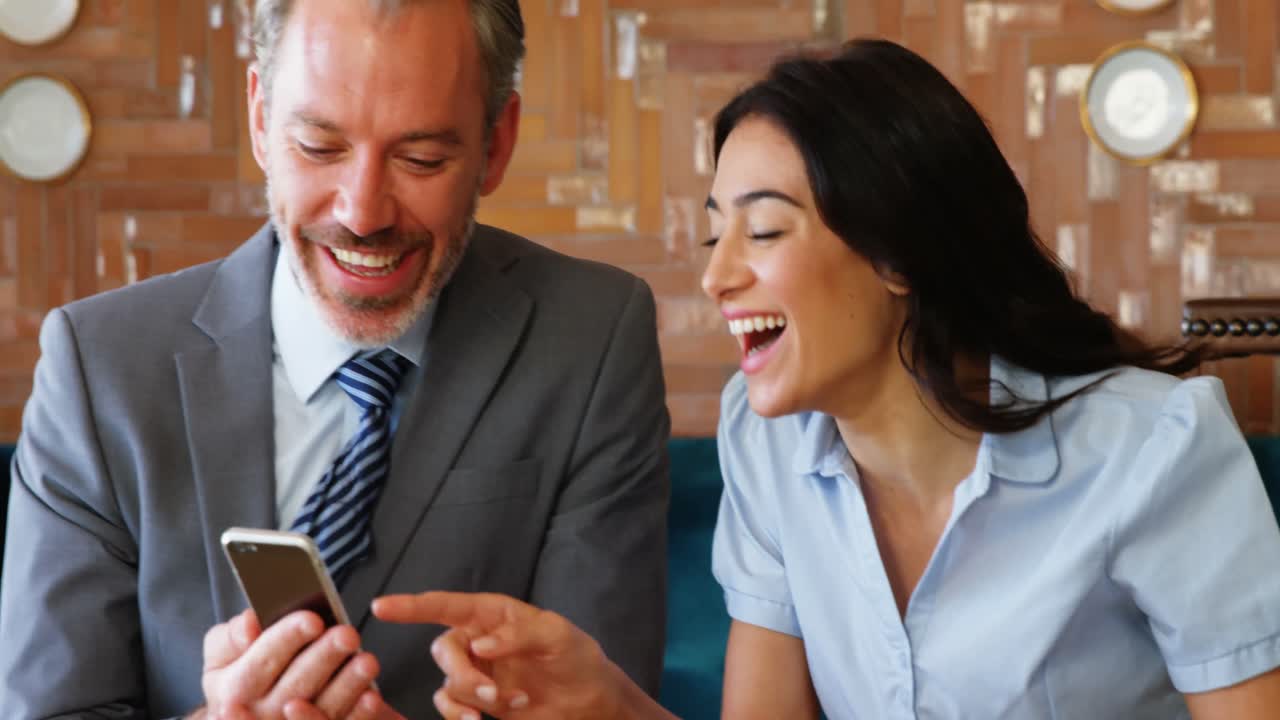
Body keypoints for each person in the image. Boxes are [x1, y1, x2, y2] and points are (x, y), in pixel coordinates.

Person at [376, 39, 1280, 719]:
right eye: (713, 233)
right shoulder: (767, 441)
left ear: (897, 253)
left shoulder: (1154, 449)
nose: (717, 274)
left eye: (763, 232)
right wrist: (608, 704)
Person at [0, 0, 670, 718]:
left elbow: (601, 696)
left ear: (496, 143)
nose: (362, 212)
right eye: (319, 148)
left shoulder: (593, 339)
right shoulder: (98, 369)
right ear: (260, 117)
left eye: (422, 159)